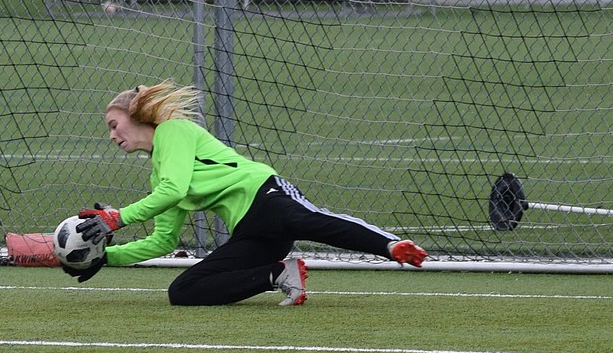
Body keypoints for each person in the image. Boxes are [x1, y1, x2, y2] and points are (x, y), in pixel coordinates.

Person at [68, 81, 427, 306]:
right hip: (251, 232)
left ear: (136, 114)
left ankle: (392, 245)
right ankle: (279, 274)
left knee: (310, 221)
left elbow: (174, 189)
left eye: (114, 125)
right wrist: (104, 257)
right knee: (183, 291)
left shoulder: (173, 130)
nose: (112, 135)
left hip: (264, 194)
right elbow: (163, 241)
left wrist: (117, 217)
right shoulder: (158, 173)